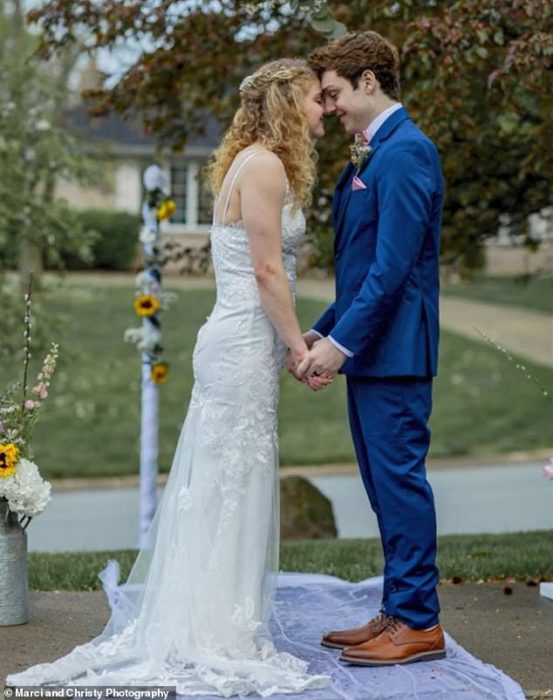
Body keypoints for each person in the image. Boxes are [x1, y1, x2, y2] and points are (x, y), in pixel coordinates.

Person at [6, 58, 331, 696]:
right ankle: (218, 631)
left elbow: (269, 274)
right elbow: (267, 272)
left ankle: (215, 616)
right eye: (316, 100)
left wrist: (296, 336)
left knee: (227, 483)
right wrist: (299, 347)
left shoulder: (249, 162)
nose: (325, 110)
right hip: (242, 343)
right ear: (290, 104)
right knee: (231, 481)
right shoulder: (264, 166)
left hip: (242, 340)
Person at [297, 31, 446, 666]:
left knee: (400, 484)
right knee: (383, 487)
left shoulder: (408, 152)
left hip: (396, 352)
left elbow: (393, 271)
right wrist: (322, 329)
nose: (327, 107)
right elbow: (359, 274)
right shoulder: (370, 153)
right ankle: (396, 612)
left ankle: (419, 623)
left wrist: (341, 346)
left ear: (368, 82)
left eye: (332, 93)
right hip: (372, 350)